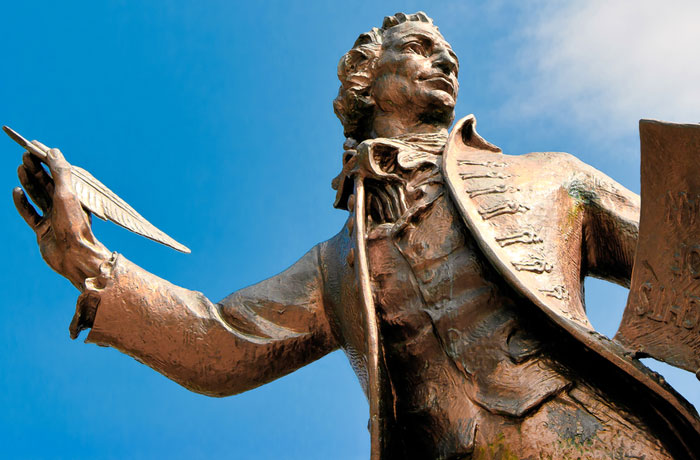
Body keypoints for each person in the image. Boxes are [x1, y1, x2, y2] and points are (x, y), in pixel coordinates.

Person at [13, 11, 700, 460]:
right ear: (367, 79)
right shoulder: (338, 266)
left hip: (607, 439)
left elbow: (687, 260)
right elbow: (222, 343)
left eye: (451, 55)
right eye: (422, 49)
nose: (446, 62)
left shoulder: (551, 179)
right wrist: (85, 259)